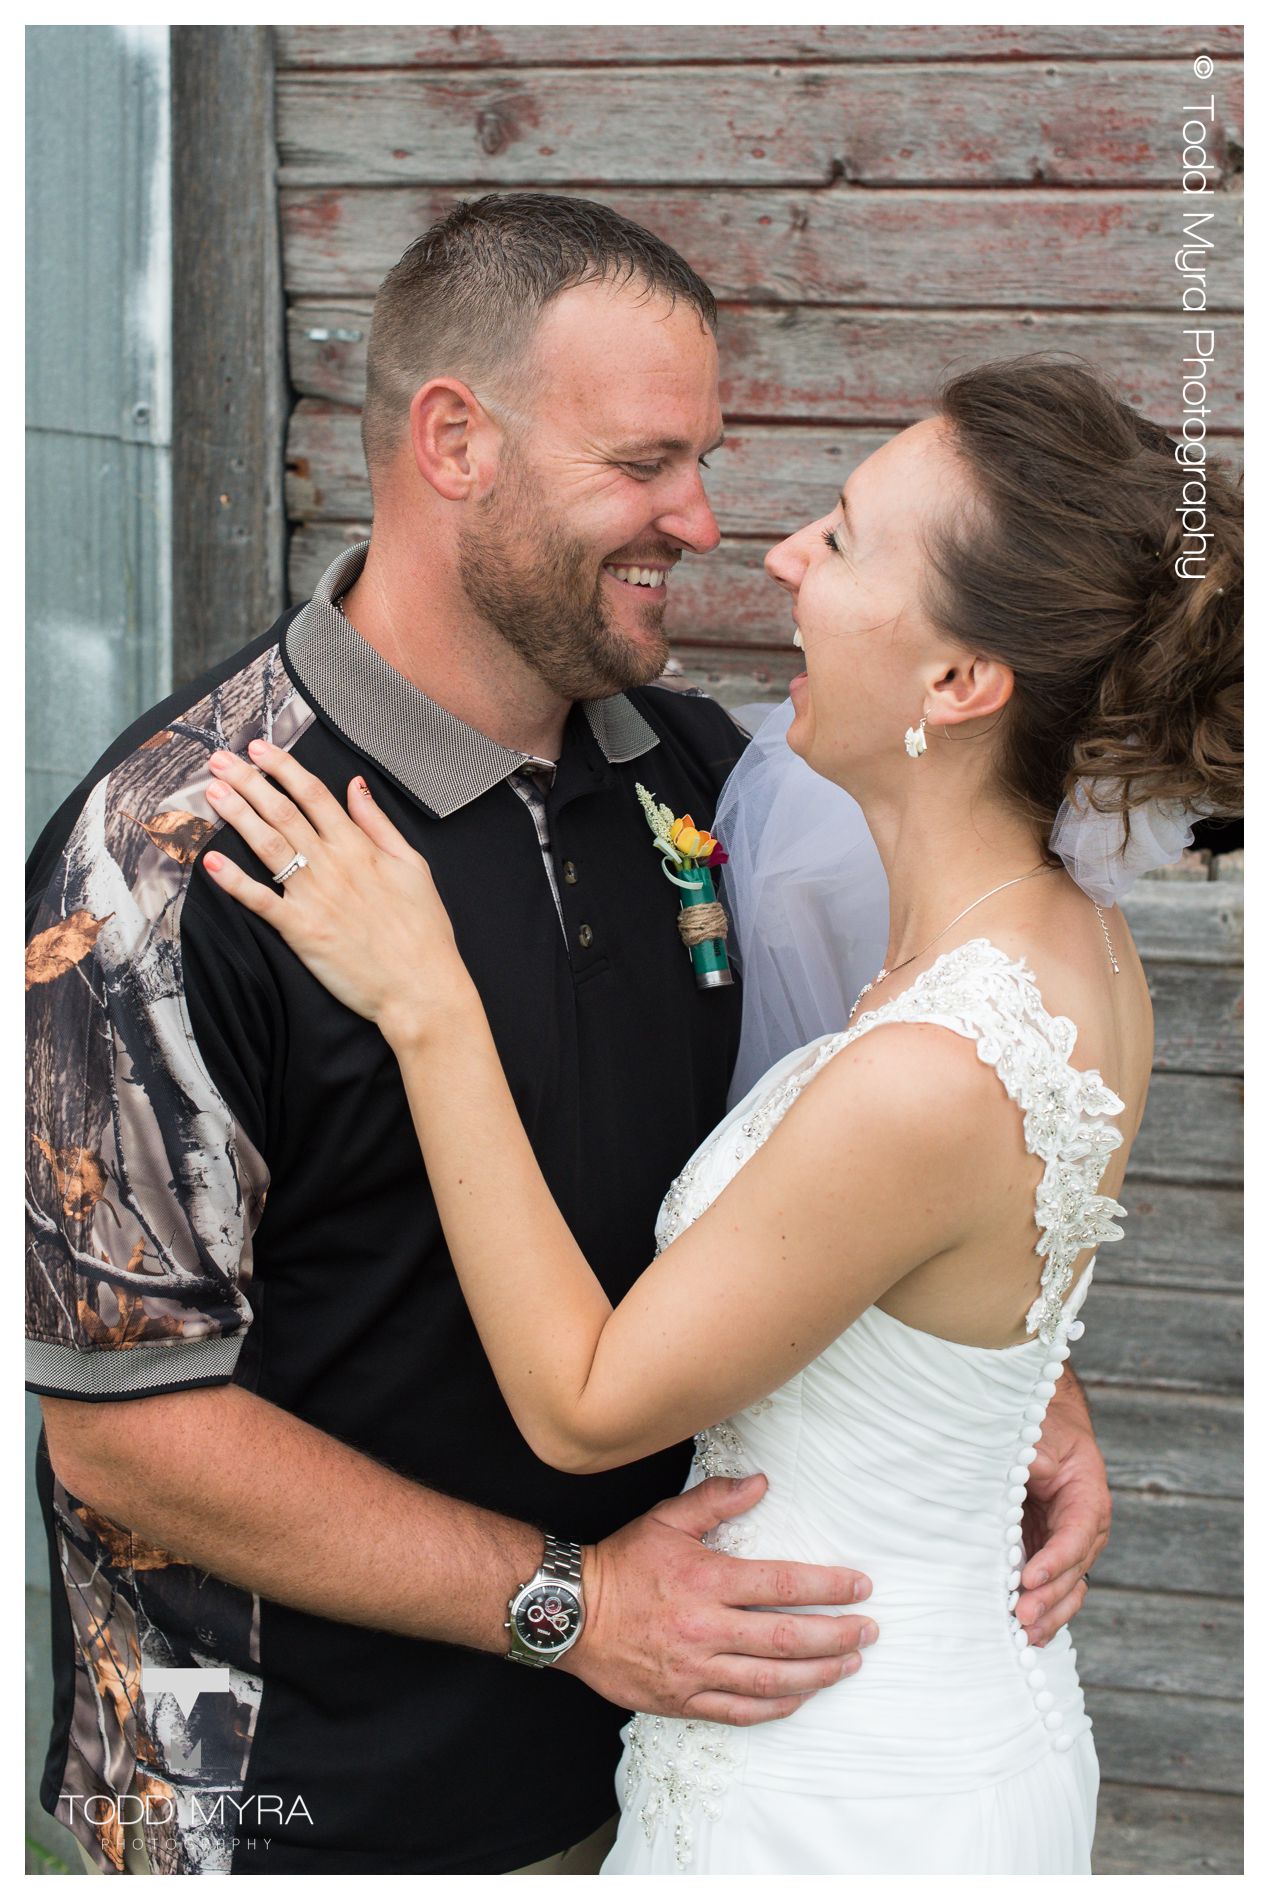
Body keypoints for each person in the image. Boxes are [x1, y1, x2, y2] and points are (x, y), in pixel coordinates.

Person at [26, 198, 1109, 1877]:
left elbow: (882, 1159)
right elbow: (121, 1430)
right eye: (646, 462)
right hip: (281, 1807)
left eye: (709, 457)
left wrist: (1011, 1382)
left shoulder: (713, 786)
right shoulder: (172, 854)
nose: (703, 517)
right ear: (454, 440)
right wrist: (568, 1602)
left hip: (657, 1784)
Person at [197, 355, 1240, 1875]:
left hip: (839, 1779)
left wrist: (430, 1000)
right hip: (909, 1707)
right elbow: (960, 1273)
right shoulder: (1064, 939)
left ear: (958, 685)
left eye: (840, 535)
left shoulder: (935, 1065)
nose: (778, 557)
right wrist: (1015, 1390)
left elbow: (586, 1399)